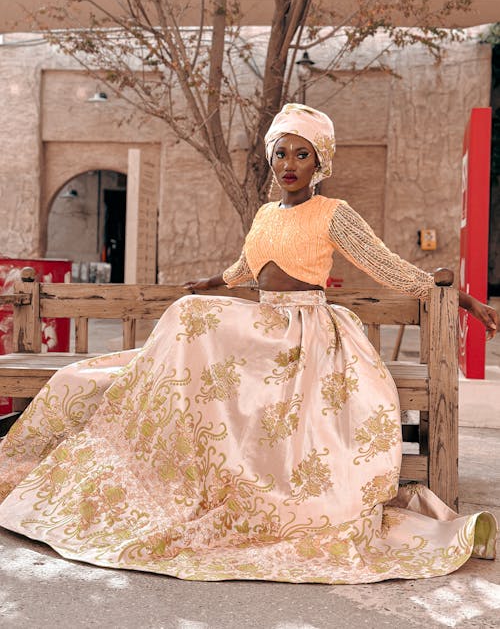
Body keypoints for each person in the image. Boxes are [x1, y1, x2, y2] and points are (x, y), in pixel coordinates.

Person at [0, 104, 497, 584]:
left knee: (192, 321)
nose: (289, 165)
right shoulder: (264, 214)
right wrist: (211, 282)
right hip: (261, 321)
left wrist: (464, 300)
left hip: (303, 331)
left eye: (302, 155)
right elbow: (248, 267)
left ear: (320, 161)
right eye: (282, 154)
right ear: (271, 157)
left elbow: (385, 265)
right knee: (188, 313)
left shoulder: (333, 212)